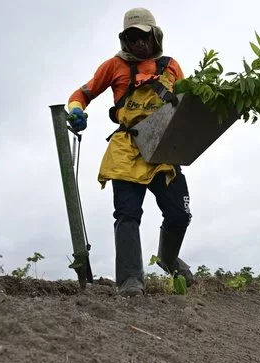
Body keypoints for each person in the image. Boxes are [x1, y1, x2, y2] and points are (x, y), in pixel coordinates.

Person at [66, 8, 194, 297]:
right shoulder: (113, 66)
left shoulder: (171, 67)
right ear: (124, 40)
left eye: (143, 36)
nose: (137, 43)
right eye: (130, 37)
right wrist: (76, 111)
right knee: (127, 215)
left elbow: (187, 103)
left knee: (179, 215)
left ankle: (169, 258)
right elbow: (81, 94)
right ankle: (130, 281)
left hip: (162, 150)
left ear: (154, 36)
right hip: (128, 148)